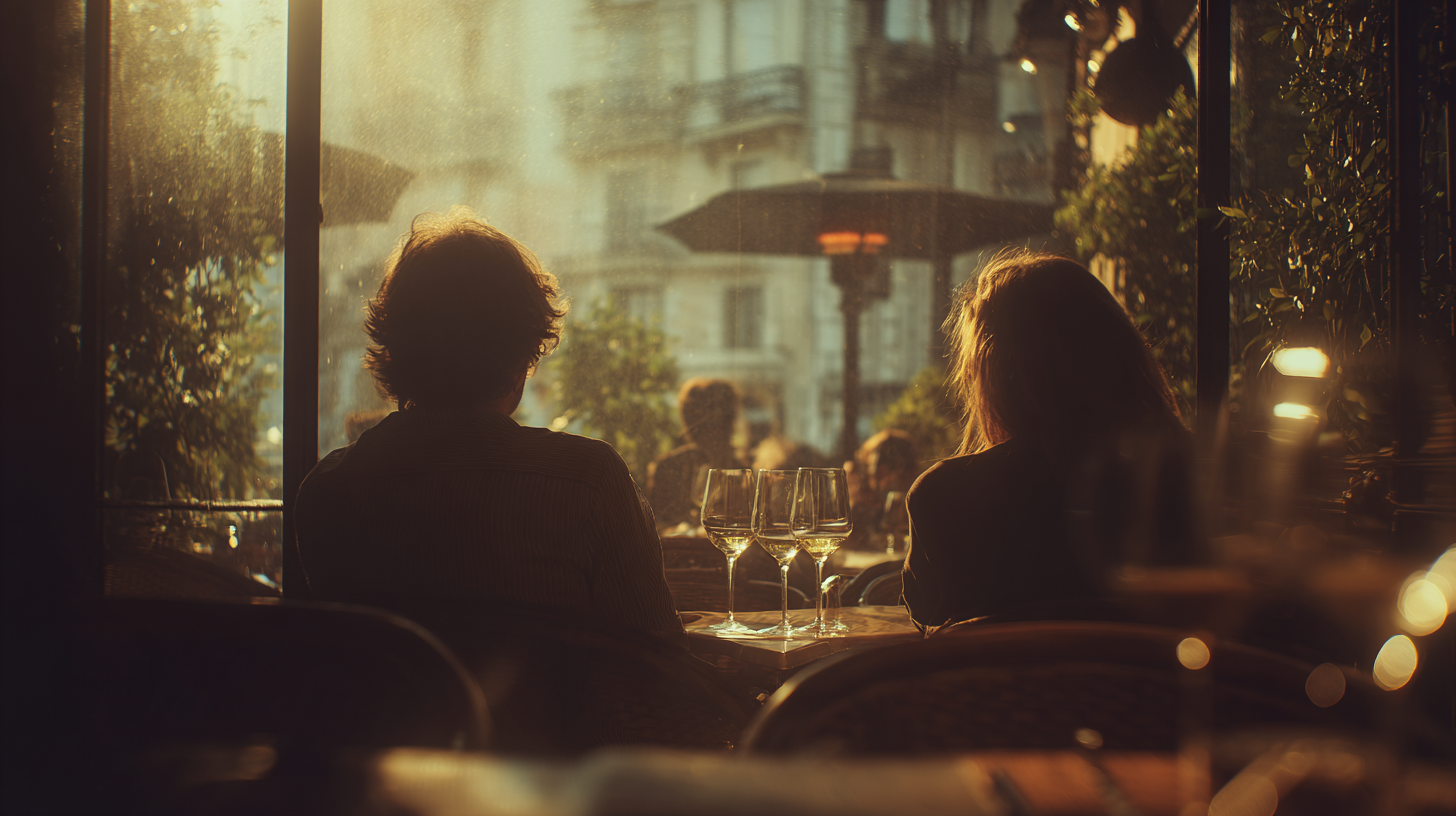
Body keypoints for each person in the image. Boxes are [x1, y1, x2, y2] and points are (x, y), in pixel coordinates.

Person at [295, 209, 682, 636]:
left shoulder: (328, 489)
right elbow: (656, 648)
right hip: (551, 685)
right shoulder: (588, 479)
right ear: (522, 356)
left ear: (395, 350)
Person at [902, 250, 1197, 630]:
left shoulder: (944, 495)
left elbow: (925, 613)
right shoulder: (1195, 472)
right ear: (1123, 348)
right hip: (1169, 671)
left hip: (1004, 672)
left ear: (992, 370)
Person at [646, 378, 745, 532]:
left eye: (722, 416)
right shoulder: (669, 468)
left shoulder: (744, 471)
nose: (715, 424)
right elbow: (653, 528)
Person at [844, 429, 918, 551]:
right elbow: (846, 543)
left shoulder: (909, 501)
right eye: (870, 464)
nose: (873, 471)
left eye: (882, 461)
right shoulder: (863, 502)